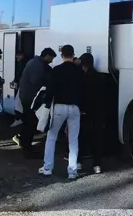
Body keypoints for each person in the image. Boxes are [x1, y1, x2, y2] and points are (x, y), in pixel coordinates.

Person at [39, 45, 83, 179]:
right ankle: (72, 171)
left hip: (59, 107)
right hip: (75, 107)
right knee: (73, 140)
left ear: (62, 55)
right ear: (73, 54)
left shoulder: (56, 70)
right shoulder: (79, 71)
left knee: (52, 137)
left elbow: (50, 89)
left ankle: (47, 168)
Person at [16, 47, 57, 158]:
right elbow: (37, 82)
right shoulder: (37, 65)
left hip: (26, 96)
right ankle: (27, 147)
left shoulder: (35, 62)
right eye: (51, 58)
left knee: (28, 121)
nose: (52, 61)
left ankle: (24, 142)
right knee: (30, 122)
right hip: (30, 98)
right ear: (47, 55)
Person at [79, 53, 105, 174]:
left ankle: (78, 162)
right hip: (98, 111)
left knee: (81, 136)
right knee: (97, 139)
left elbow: (81, 95)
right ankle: (97, 165)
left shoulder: (82, 77)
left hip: (84, 112)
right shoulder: (100, 77)